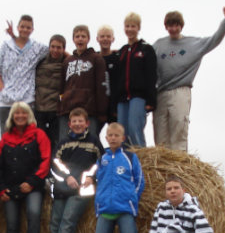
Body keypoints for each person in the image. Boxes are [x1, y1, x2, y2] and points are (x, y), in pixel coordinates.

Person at [153, 6, 225, 151]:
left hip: (181, 91)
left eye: (176, 25)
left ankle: (178, 169)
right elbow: (144, 60)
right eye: (170, 25)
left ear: (181, 26)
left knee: (178, 128)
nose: (173, 28)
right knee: (160, 135)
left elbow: (215, 39)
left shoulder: (193, 44)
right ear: (166, 26)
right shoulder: (159, 45)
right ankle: (162, 171)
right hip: (161, 92)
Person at [78, 123, 144, 233]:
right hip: (105, 210)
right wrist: (91, 180)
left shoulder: (130, 157)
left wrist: (132, 199)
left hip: (125, 210)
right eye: (110, 135)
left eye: (116, 135)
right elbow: (95, 176)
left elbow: (139, 181)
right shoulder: (102, 159)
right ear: (106, 138)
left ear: (123, 138)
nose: (113, 138)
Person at [0, 101, 51, 233]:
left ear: (29, 115)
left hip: (32, 187)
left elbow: (46, 160)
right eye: (17, 113)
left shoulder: (39, 135)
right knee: (11, 224)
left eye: (23, 113)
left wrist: (32, 182)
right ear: (12, 116)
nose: (20, 116)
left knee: (34, 215)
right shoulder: (5, 139)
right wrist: (0, 190)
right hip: (10, 188)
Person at [49, 107, 103, 233]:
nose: (78, 124)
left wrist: (91, 177)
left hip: (82, 189)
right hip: (62, 188)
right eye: (74, 121)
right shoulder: (63, 142)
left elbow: (101, 162)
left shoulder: (94, 141)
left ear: (87, 123)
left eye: (81, 121)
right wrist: (67, 177)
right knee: (55, 223)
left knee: (68, 221)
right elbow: (55, 163)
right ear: (69, 124)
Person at [0, 15, 48, 134]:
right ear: (18, 27)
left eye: (28, 28)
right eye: (22, 27)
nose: (25, 30)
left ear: (32, 30)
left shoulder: (37, 47)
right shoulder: (6, 45)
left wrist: (72, 57)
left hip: (26, 98)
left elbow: (55, 49)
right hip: (6, 99)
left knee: (28, 136)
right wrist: (2, 88)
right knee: (6, 135)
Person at [58, 25, 108, 141]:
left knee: (90, 144)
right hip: (67, 111)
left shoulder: (96, 59)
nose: (80, 39)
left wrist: (101, 111)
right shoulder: (67, 61)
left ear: (88, 39)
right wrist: (60, 105)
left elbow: (101, 86)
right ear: (73, 39)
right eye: (77, 36)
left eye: (83, 36)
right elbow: (61, 88)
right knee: (65, 144)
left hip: (89, 110)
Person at [114, 13, 157, 148]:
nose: (130, 29)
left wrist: (151, 100)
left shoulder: (146, 49)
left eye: (133, 26)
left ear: (138, 28)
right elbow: (116, 78)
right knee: (122, 134)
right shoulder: (121, 52)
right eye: (127, 26)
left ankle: (142, 163)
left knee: (134, 129)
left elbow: (151, 75)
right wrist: (113, 104)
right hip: (122, 99)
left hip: (138, 96)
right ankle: (125, 165)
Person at [34, 34, 70, 148]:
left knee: (56, 144)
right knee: (40, 143)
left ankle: (54, 166)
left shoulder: (67, 63)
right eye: (53, 46)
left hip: (56, 109)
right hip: (40, 108)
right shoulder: (39, 61)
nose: (55, 50)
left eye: (59, 47)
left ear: (64, 49)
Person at [97, 25, 119, 125]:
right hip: (98, 105)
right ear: (97, 39)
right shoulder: (94, 58)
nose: (105, 39)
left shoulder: (118, 57)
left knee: (116, 135)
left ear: (113, 39)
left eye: (108, 36)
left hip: (114, 104)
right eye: (102, 36)